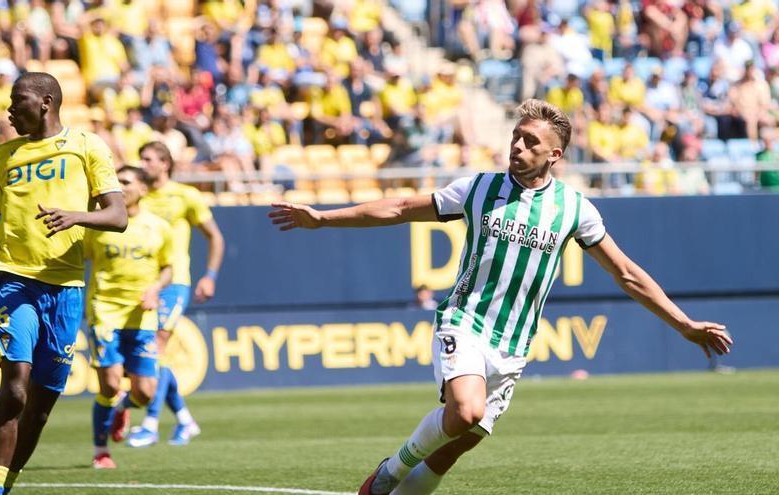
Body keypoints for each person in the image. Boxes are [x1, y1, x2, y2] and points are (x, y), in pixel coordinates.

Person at [268, 99, 733, 495]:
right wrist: (323, 218)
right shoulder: (479, 189)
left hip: (513, 344)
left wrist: (684, 324)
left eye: (531, 141)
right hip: (464, 321)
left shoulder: (574, 209)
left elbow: (627, 273)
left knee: (461, 439)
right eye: (516, 136)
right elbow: (399, 207)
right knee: (465, 409)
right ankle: (387, 473)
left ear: (555, 154)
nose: (517, 146)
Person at [0, 72, 127, 495]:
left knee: (40, 404)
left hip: (65, 286)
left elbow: (117, 216)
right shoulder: (6, 155)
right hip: (11, 277)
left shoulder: (86, 146)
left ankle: (4, 484)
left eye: (19, 101)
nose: (10, 110)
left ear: (47, 102)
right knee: (15, 387)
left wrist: (77, 216)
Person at [125, 141, 224, 448]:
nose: (143, 163)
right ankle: (184, 420)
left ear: (165, 163)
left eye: (149, 158)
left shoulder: (185, 196)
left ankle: (150, 425)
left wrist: (209, 276)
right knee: (149, 357)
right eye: (140, 158)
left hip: (174, 282)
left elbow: (215, 237)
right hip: (141, 284)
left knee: (155, 349)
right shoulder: (136, 197)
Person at [85, 166, 174, 469]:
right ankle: (101, 450)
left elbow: (168, 267)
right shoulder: (96, 225)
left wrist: (156, 289)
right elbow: (75, 257)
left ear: (144, 189)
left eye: (126, 182)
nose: (119, 187)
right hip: (105, 312)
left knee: (146, 393)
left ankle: (124, 407)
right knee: (109, 385)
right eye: (116, 182)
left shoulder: (158, 227)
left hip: (142, 316)